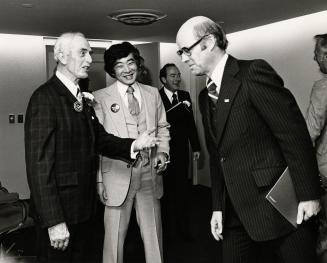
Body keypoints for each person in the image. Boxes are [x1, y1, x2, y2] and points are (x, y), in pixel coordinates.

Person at [176, 16, 322, 262]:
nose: (182, 58)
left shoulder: (252, 73)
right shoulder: (203, 96)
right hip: (235, 212)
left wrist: (309, 194)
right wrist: (217, 207)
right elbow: (217, 156)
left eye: (185, 50)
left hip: (279, 208)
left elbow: (293, 135)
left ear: (209, 41)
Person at [24, 32, 157, 263]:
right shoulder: (45, 98)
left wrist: (135, 144)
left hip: (84, 211)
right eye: (82, 53)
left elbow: (101, 139)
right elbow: (39, 167)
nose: (88, 59)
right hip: (61, 214)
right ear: (62, 56)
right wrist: (54, 221)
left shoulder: (79, 97)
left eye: (89, 53)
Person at [93, 42, 170, 263]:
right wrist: (100, 182)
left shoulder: (153, 93)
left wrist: (162, 153)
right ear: (111, 70)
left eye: (130, 62)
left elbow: (163, 127)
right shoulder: (99, 98)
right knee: (113, 241)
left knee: (154, 236)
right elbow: (99, 142)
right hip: (116, 175)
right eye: (119, 65)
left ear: (138, 64)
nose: (127, 69)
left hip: (149, 174)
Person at [159, 63, 201, 242]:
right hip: (164, 153)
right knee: (166, 194)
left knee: (183, 192)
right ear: (163, 79)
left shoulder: (185, 96)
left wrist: (196, 146)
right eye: (172, 76)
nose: (177, 79)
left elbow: (191, 123)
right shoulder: (156, 96)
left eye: (178, 75)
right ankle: (166, 232)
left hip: (182, 151)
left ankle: (184, 230)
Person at [306, 33, 327, 261]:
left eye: (317, 54)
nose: (315, 59)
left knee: (323, 234)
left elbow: (310, 131)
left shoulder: (323, 87)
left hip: (325, 172)